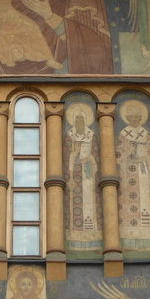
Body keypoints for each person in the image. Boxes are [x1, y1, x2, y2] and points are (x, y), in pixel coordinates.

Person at [115, 100, 150, 250]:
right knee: (130, 203)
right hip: (129, 175)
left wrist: (144, 157)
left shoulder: (146, 134)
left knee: (146, 201)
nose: (134, 120)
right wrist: (129, 153)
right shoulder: (123, 133)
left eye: (136, 117)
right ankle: (129, 240)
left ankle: (149, 239)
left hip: (144, 174)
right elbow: (119, 153)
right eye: (131, 117)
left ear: (140, 118)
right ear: (127, 118)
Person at [64, 105, 102, 253]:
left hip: (89, 175)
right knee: (75, 207)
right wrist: (74, 157)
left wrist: (90, 159)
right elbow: (66, 155)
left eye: (82, 119)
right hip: (75, 175)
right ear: (73, 120)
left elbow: (97, 155)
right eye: (77, 119)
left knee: (91, 205)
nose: (79, 121)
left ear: (86, 120)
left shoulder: (91, 135)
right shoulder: (69, 135)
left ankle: (93, 242)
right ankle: (76, 243)